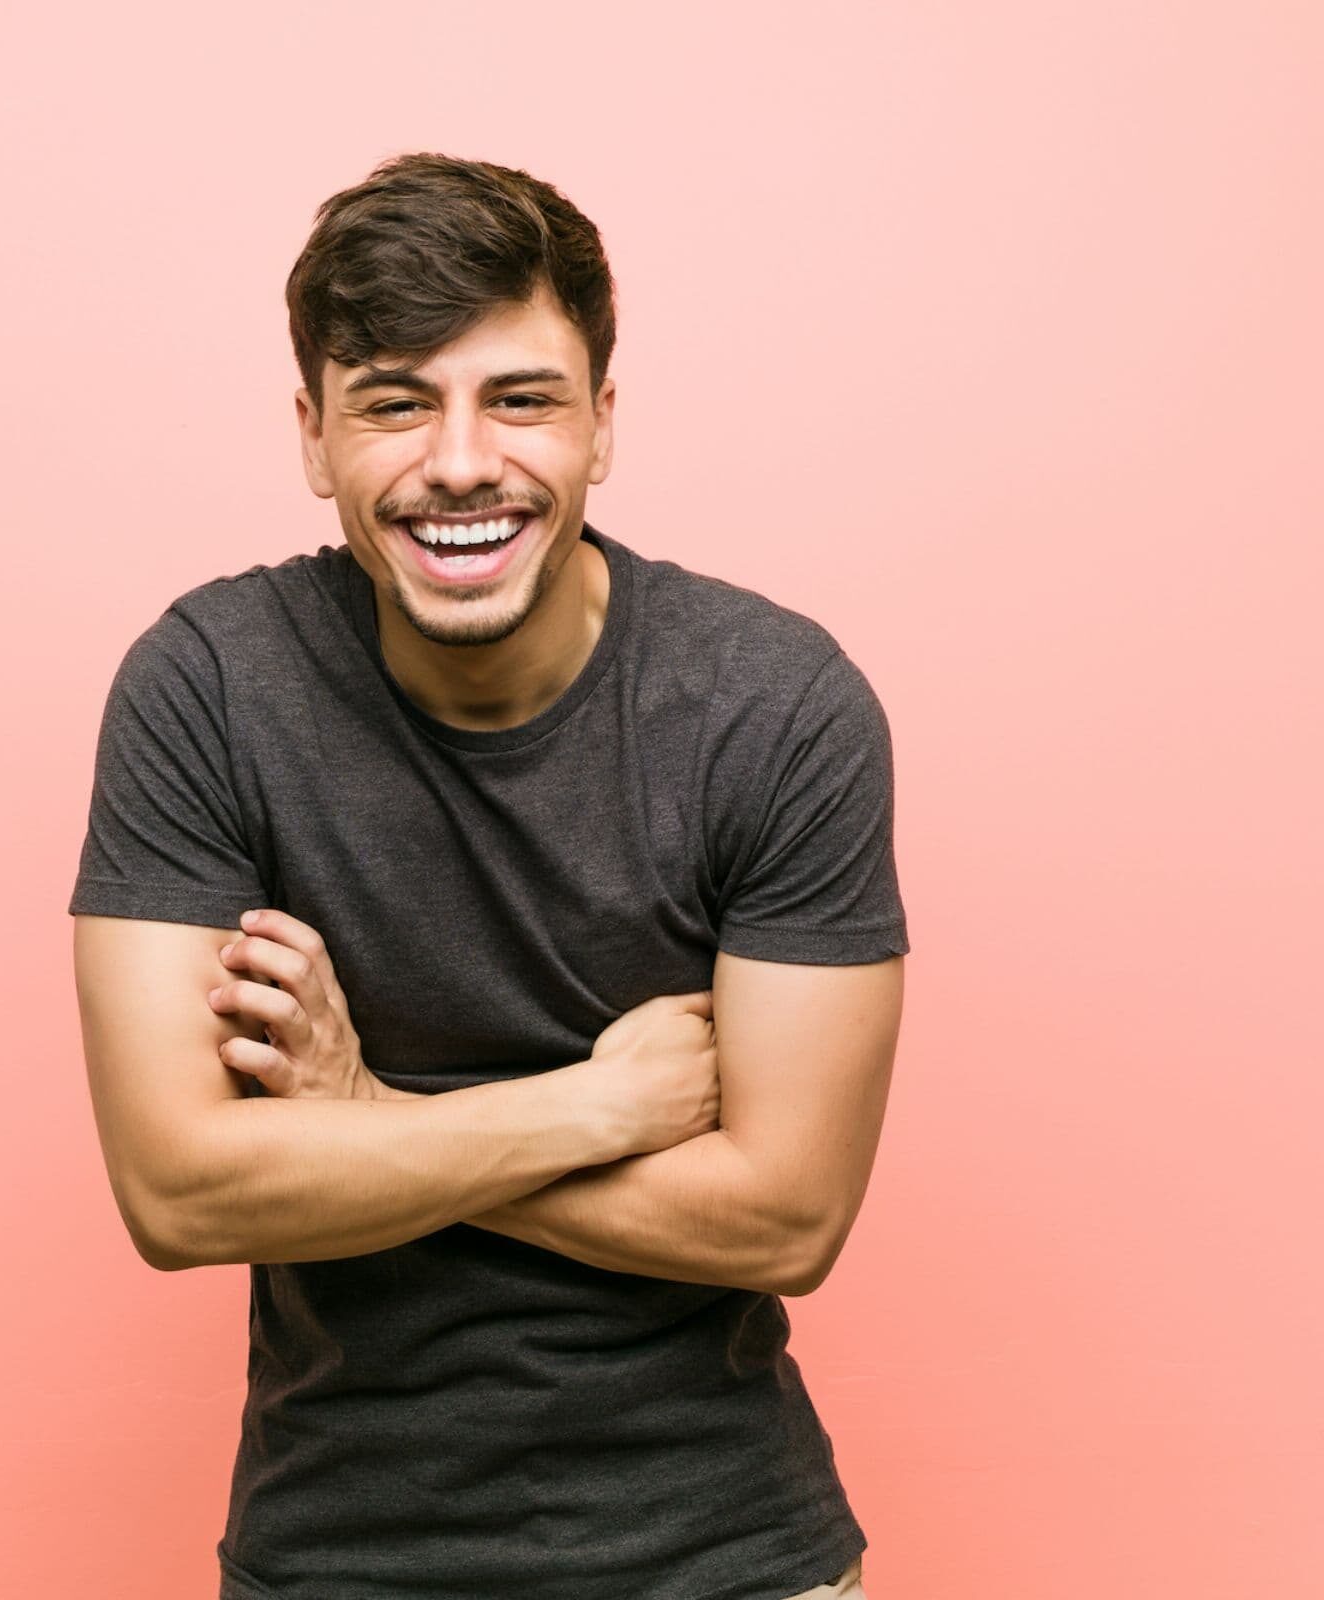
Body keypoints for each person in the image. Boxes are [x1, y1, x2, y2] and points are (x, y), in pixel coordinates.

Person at [69, 152, 906, 1600]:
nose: (461, 460)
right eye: (395, 400)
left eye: (520, 398)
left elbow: (784, 1218)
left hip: (728, 1561)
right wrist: (594, 1110)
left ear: (602, 425)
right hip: (336, 1559)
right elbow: (180, 1194)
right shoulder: (210, 687)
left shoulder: (775, 706)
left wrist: (367, 1116)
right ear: (316, 438)